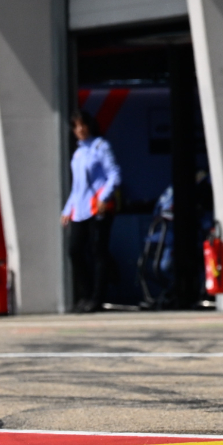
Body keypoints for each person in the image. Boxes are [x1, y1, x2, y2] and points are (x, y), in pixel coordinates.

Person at [62, 107, 122, 313]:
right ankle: (85, 295)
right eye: (76, 126)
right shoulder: (78, 154)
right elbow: (77, 186)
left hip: (98, 208)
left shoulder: (100, 146)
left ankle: (97, 298)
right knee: (75, 251)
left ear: (89, 125)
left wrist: (104, 196)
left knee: (98, 251)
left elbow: (114, 174)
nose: (80, 129)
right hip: (80, 208)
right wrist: (67, 209)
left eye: (83, 125)